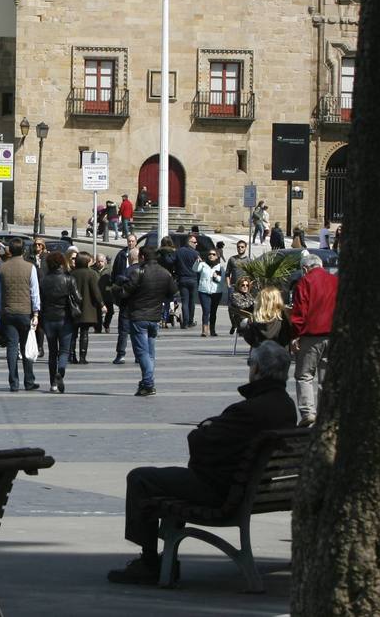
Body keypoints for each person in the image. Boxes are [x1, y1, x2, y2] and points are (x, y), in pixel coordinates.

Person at [107, 341, 298, 585]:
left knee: (140, 478)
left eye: (251, 364)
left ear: (258, 369)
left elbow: (200, 442)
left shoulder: (249, 411)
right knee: (168, 481)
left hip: (222, 492)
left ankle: (149, 562)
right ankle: (161, 558)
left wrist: (204, 429)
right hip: (255, 489)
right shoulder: (285, 406)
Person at [119, 246, 177, 396]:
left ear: (143, 257)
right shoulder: (165, 273)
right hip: (155, 316)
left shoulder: (138, 272)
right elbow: (173, 292)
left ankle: (148, 383)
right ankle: (147, 383)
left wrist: (119, 286)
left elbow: (125, 293)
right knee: (150, 353)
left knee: (142, 353)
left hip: (139, 316)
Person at [290, 251, 337, 427]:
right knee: (326, 377)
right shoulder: (335, 280)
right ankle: (325, 414)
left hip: (311, 334)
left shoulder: (305, 281)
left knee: (304, 375)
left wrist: (296, 335)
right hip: (332, 334)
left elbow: (300, 311)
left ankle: (308, 412)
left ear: (305, 268)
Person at [0, 237, 40, 392]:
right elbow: (34, 292)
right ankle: (29, 381)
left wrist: (0, 310)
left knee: (12, 347)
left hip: (8, 312)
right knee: (26, 347)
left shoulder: (1, 268)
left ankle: (13, 382)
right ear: (23, 250)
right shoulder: (30, 267)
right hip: (25, 312)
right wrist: (36, 312)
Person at [38, 252, 77, 394]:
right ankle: (61, 371)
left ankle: (53, 384)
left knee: (52, 352)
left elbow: (39, 300)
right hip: (65, 319)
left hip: (48, 319)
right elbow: (78, 298)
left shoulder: (43, 280)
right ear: (62, 263)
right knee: (64, 351)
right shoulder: (69, 279)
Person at [70, 252, 104, 365]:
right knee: (84, 333)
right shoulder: (92, 274)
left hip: (73, 308)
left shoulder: (71, 273)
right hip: (87, 308)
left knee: (73, 333)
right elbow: (96, 292)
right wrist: (102, 304)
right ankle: (82, 357)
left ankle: (72, 355)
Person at [173, 234, 200, 330]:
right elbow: (198, 268)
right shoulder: (196, 253)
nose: (196, 244)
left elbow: (172, 261)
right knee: (191, 302)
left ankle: (185, 322)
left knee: (185, 301)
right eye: (194, 242)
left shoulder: (178, 252)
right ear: (189, 242)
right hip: (192, 279)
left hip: (182, 279)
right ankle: (190, 321)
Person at [196, 248, 224, 336]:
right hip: (204, 291)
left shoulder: (220, 267)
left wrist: (216, 277)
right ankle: (204, 330)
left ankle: (212, 330)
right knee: (206, 310)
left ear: (217, 256)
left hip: (216, 292)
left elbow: (222, 280)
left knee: (213, 311)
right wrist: (197, 262)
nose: (211, 256)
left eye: (213, 254)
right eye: (209, 254)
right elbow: (195, 269)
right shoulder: (203, 264)